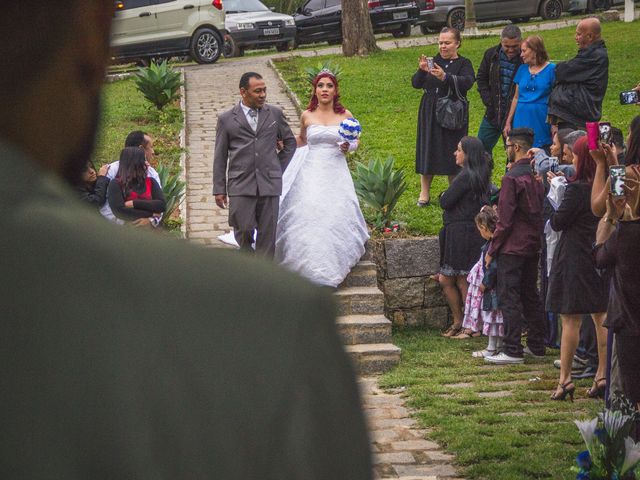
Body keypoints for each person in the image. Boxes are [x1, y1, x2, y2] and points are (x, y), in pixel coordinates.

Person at [0, 3, 372, 478]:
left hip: (284, 185)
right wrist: (222, 184)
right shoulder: (276, 319)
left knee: (269, 236)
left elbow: (289, 147)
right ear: (95, 37)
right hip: (245, 191)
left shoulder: (283, 116)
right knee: (248, 235)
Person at [275, 70, 369, 288]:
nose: (324, 90)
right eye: (321, 86)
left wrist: (349, 146)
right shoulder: (307, 115)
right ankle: (304, 264)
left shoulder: (346, 115)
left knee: (336, 211)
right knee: (309, 209)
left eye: (329, 86)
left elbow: (356, 142)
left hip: (336, 168)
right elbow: (302, 140)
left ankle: (332, 266)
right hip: (311, 168)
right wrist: (284, 145)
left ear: (335, 91)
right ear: (315, 90)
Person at [546, 136, 608, 400]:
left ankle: (565, 378)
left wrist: (554, 193)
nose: (570, 159)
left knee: (570, 318)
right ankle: (602, 373)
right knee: (601, 316)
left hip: (573, 256)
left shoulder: (576, 189)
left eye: (573, 155)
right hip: (599, 254)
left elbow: (558, 222)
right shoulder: (605, 187)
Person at [213, 72, 296, 257]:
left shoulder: (274, 114)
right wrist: (219, 188)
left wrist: (276, 166)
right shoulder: (226, 119)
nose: (263, 95)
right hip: (240, 183)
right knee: (242, 228)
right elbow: (220, 155)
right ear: (243, 92)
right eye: (257, 91)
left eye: (264, 90)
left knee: (267, 234)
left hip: (269, 184)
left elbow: (290, 143)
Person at [485, 128, 546, 365]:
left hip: (512, 247)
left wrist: (492, 250)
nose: (507, 151)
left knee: (509, 297)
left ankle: (512, 349)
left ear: (516, 147)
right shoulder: (535, 177)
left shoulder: (511, 179)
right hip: (532, 244)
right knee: (530, 294)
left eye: (508, 146)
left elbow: (505, 220)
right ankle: (537, 344)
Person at [412, 27, 476, 206]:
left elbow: (468, 82)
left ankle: (454, 191)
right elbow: (416, 84)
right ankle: (424, 193)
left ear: (457, 44)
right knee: (428, 148)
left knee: (453, 150)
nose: (443, 46)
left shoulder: (464, 63)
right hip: (430, 110)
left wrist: (446, 77)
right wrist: (422, 71)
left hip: (453, 112)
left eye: (447, 43)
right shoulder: (433, 61)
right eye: (440, 42)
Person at [436, 136, 491, 338]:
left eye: (459, 150)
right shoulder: (477, 175)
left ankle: (467, 323)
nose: (455, 153)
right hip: (461, 231)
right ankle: (462, 321)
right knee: (454, 279)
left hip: (461, 233)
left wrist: (443, 195)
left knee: (458, 279)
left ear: (467, 154)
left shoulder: (466, 176)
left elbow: (446, 201)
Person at [547, 18, 609, 130]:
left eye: (579, 34)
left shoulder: (595, 56)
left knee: (572, 146)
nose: (575, 37)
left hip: (578, 117)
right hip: (574, 114)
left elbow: (562, 72)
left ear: (590, 36)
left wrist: (560, 69)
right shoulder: (590, 53)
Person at [476, 25, 523, 156]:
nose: (511, 50)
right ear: (501, 41)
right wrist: (488, 101)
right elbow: (481, 78)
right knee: (480, 152)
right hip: (493, 113)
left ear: (521, 42)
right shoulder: (491, 55)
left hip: (514, 115)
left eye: (515, 46)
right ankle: (483, 176)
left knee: (515, 155)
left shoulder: (525, 58)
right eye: (507, 46)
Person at [464, 206, 504, 357]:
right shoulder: (491, 245)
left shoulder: (492, 247)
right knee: (497, 319)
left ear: (484, 227)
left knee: (492, 318)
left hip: (492, 289)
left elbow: (493, 267)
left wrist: (485, 283)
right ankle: (499, 345)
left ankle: (492, 347)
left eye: (480, 229)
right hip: (494, 288)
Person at [100, 130, 162, 227]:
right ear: (141, 149)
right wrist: (124, 223)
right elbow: (104, 204)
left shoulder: (151, 174)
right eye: (151, 147)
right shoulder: (111, 171)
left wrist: (150, 221)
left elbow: (159, 205)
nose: (153, 152)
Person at [503, 36, 555, 150]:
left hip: (541, 117)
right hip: (521, 117)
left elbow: (555, 98)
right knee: (521, 148)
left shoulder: (551, 69)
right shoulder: (522, 69)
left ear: (535, 50)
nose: (521, 55)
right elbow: (516, 97)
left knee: (541, 150)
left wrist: (554, 123)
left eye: (524, 51)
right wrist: (508, 122)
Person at [107, 146, 167, 223]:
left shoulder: (151, 182)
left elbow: (161, 205)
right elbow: (119, 211)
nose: (147, 164)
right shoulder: (116, 184)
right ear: (134, 164)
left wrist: (134, 203)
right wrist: (150, 214)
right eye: (143, 160)